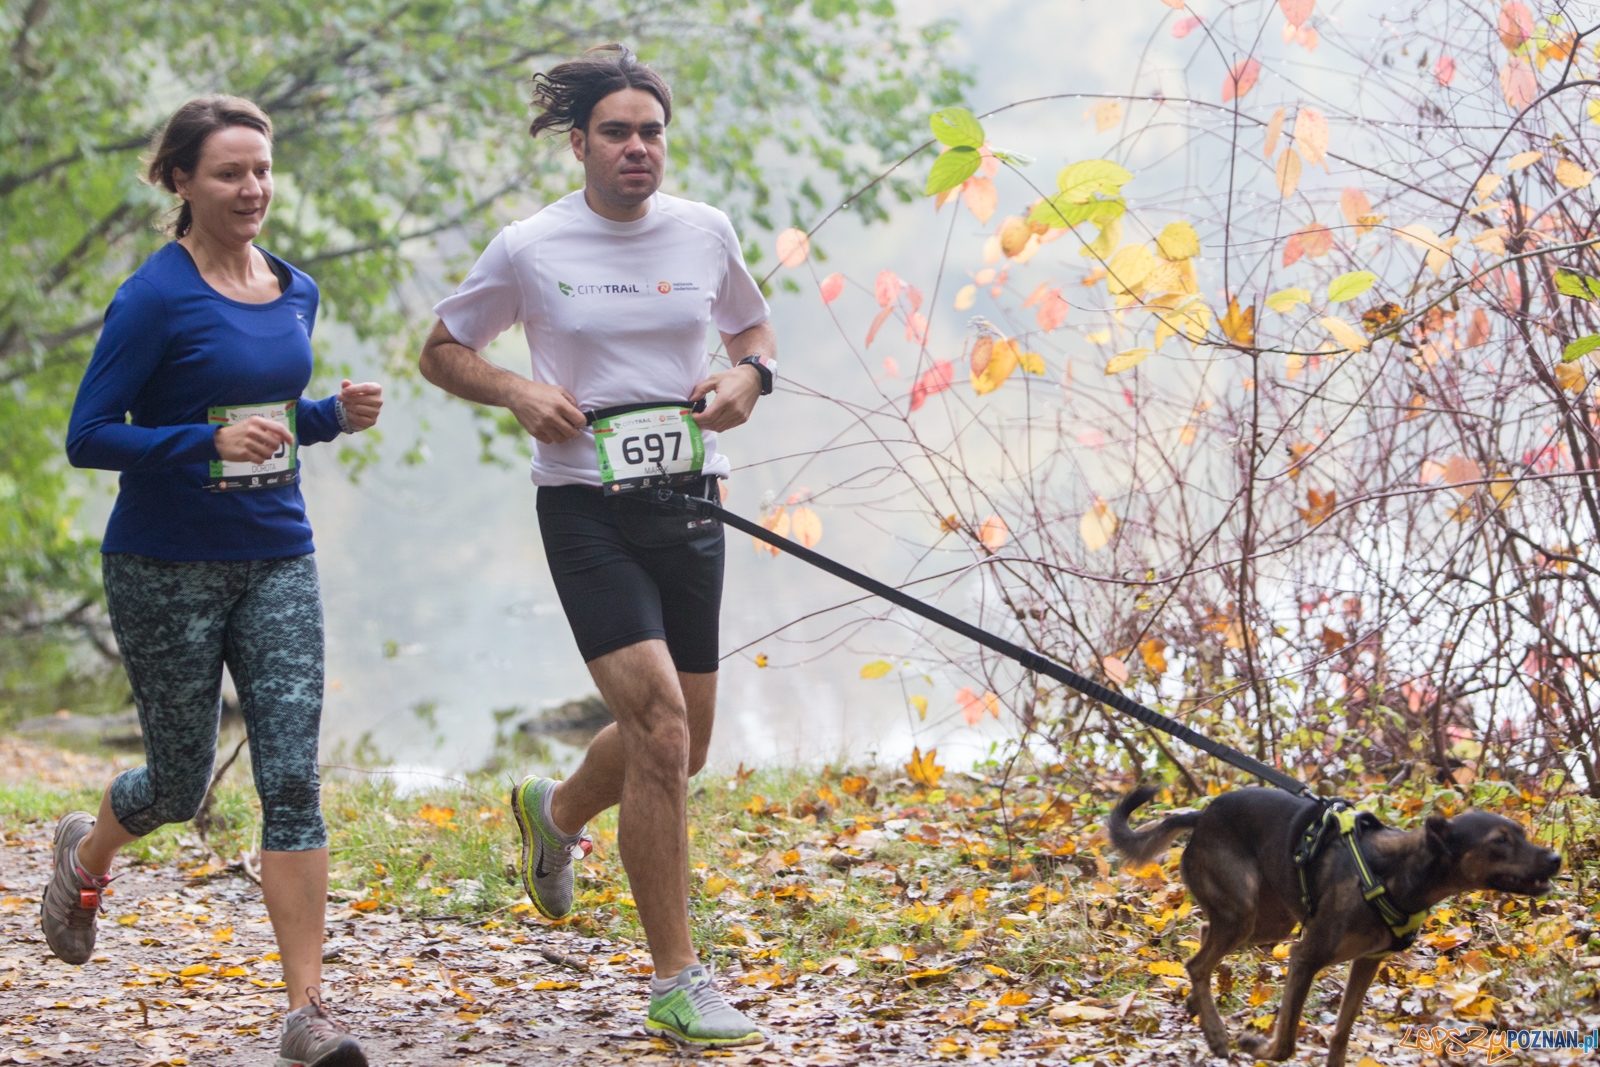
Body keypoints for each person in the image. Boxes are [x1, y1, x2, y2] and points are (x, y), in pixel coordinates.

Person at [419, 45, 777, 1048]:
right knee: (661, 727)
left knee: (686, 745)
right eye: (616, 132)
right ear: (578, 143)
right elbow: (441, 349)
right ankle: (677, 978)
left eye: (651, 132)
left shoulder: (704, 231)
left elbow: (754, 334)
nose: (636, 149)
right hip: (585, 510)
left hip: (688, 501)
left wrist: (749, 380)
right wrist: (520, 389)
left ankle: (556, 809)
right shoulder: (530, 246)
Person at [53, 95, 381, 1067]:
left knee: (291, 777)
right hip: (163, 564)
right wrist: (204, 440)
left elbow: (266, 413)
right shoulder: (153, 297)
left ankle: (307, 1010)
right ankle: (88, 851)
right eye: (231, 172)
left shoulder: (294, 288)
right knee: (179, 778)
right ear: (182, 182)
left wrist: (328, 415)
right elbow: (88, 436)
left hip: (278, 552)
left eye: (263, 171)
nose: (253, 189)